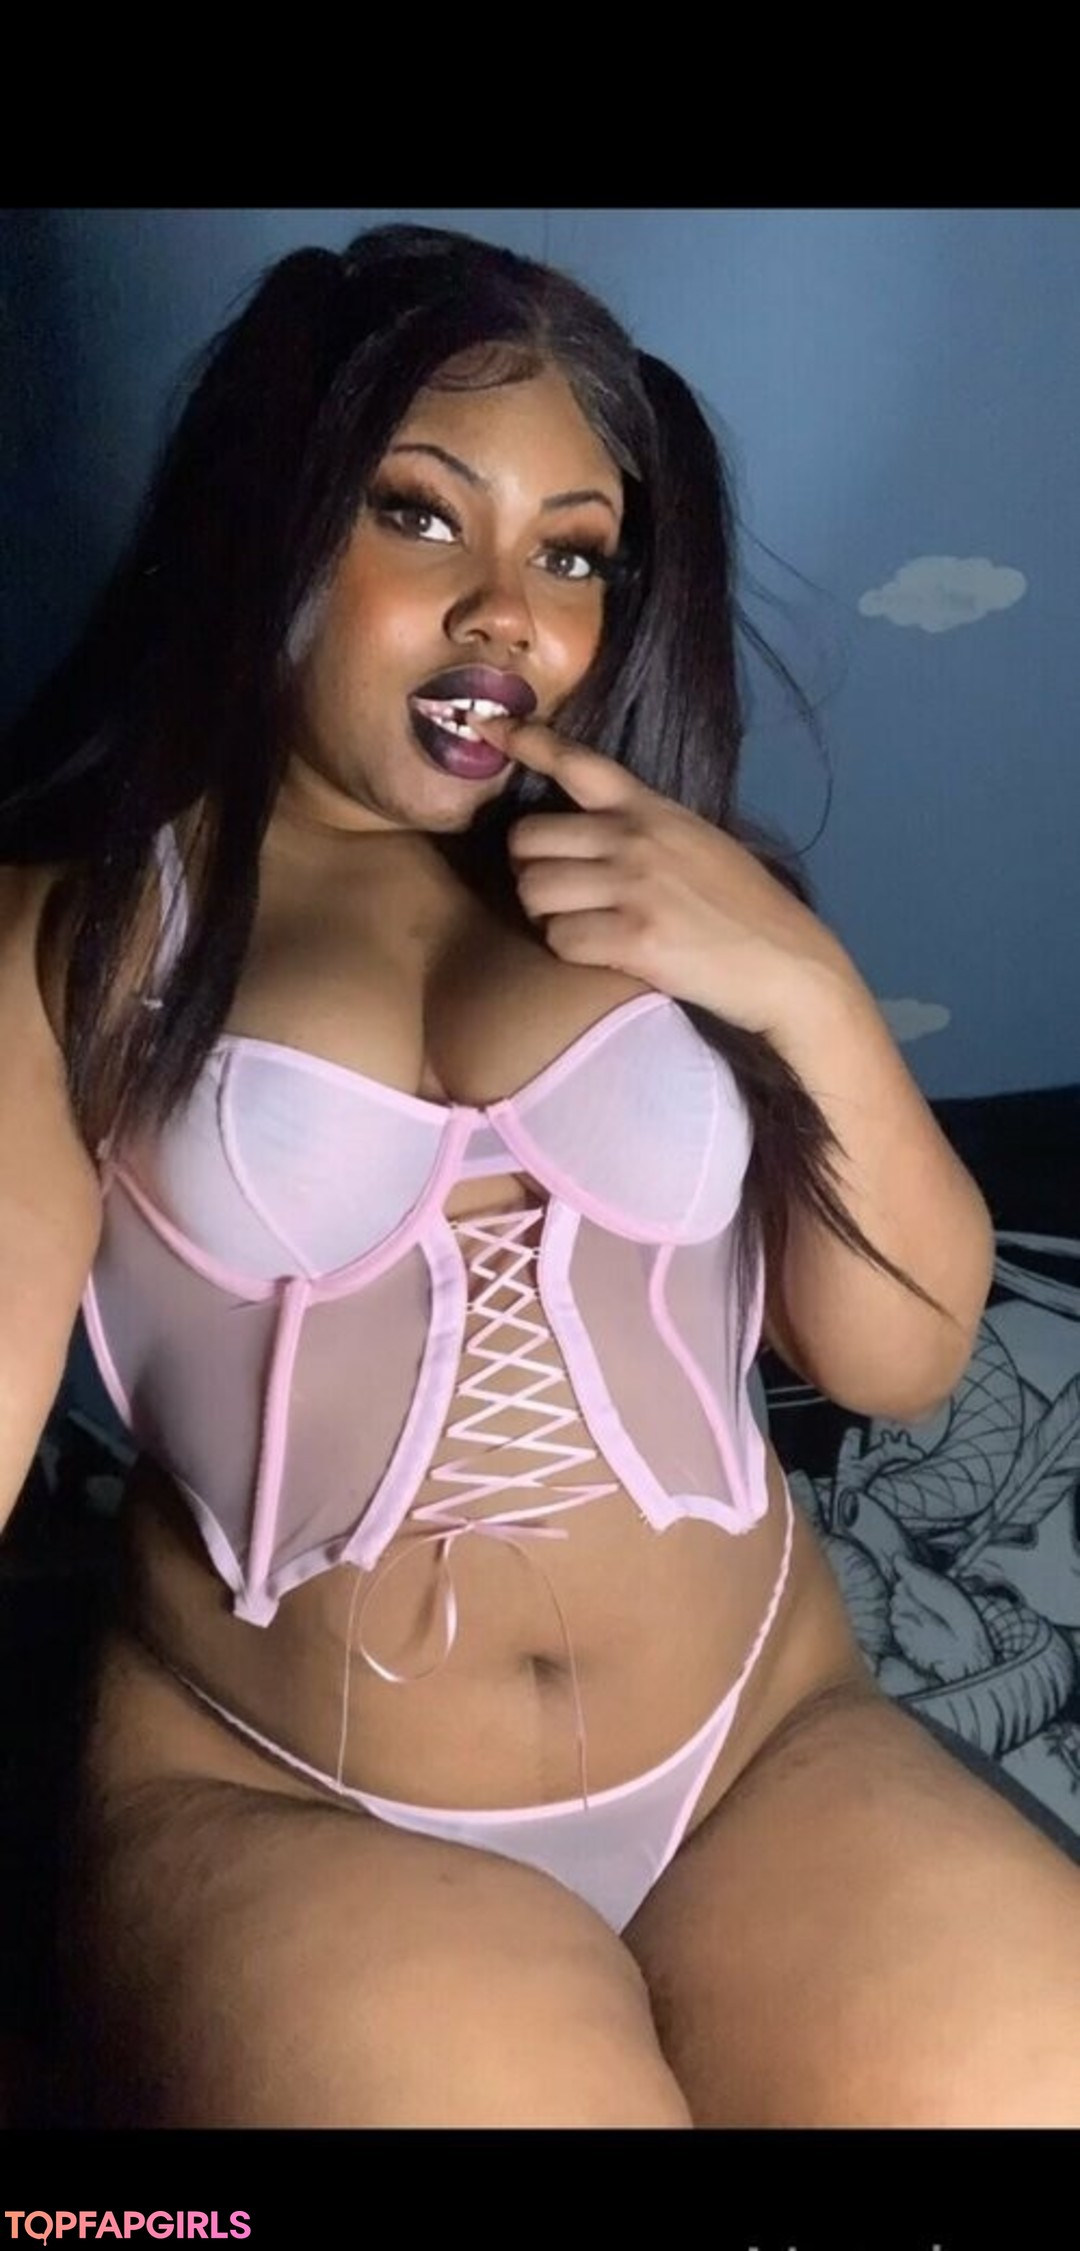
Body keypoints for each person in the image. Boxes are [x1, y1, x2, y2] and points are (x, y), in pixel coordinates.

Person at [1, 221, 1077, 2131]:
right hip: (291, 1801)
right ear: (271, 521)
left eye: (573, 555)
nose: (510, 613)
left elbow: (903, 1360)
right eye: (420, 516)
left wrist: (802, 983)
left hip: (762, 1746)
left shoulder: (673, 883)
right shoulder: (70, 931)